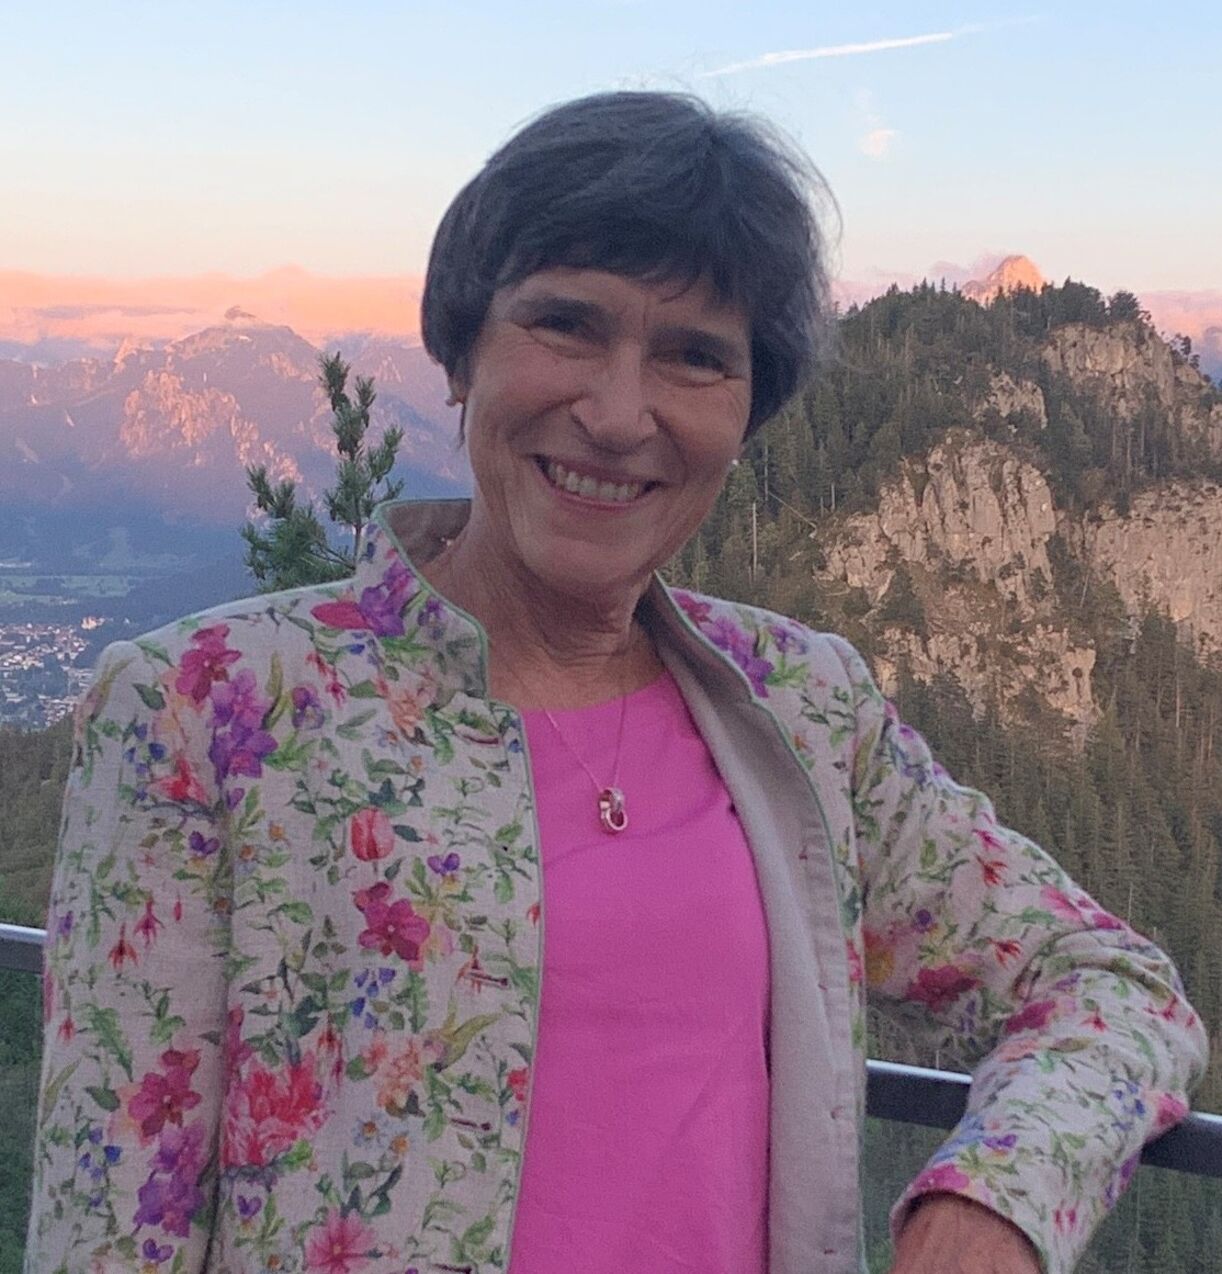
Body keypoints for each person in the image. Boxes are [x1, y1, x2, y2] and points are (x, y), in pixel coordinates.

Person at [25, 92, 1205, 1274]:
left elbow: (1111, 988)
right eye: (566, 325)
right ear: (460, 352)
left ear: (746, 410)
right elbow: (109, 1215)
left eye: (695, 356)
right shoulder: (208, 705)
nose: (616, 412)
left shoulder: (801, 705)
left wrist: (990, 1204)